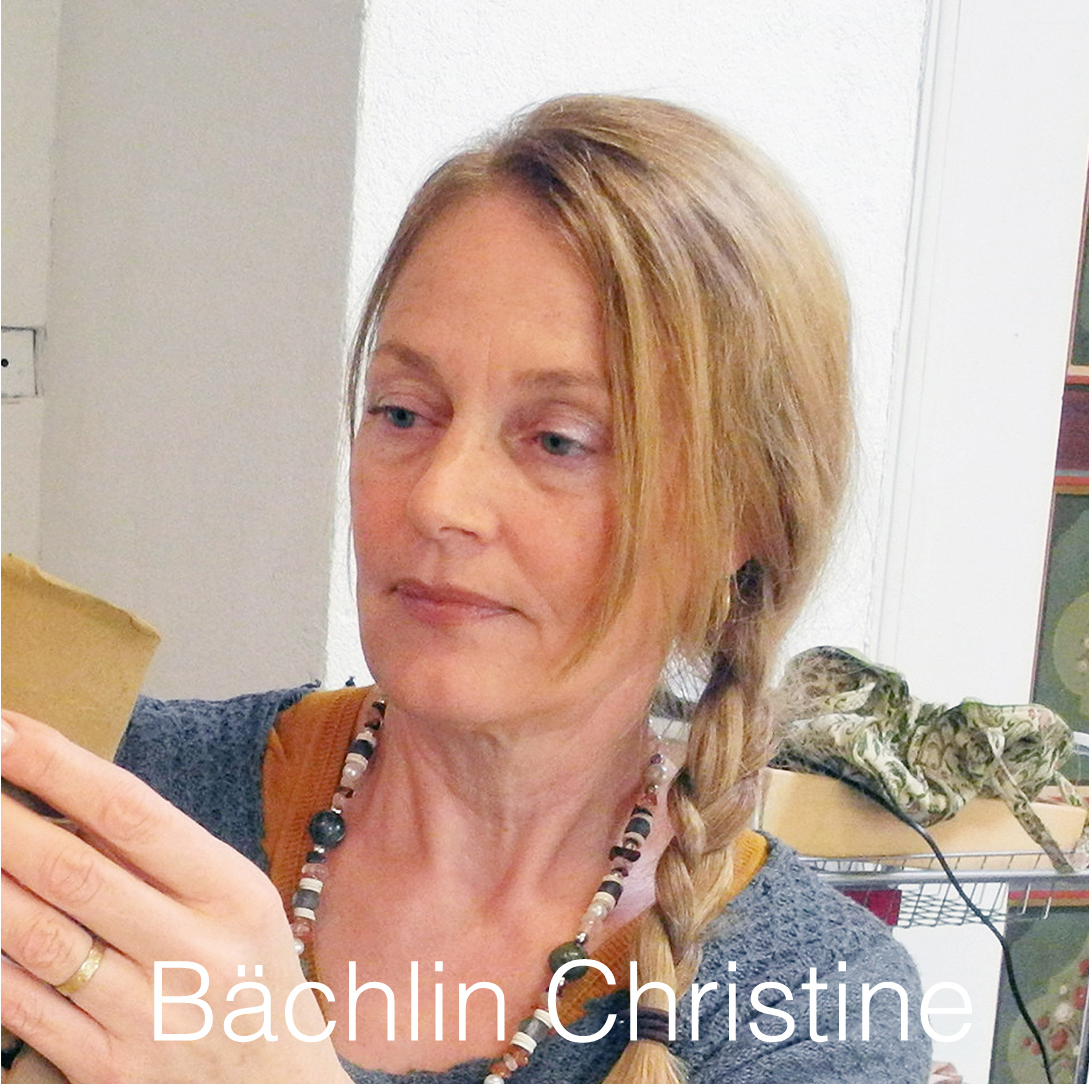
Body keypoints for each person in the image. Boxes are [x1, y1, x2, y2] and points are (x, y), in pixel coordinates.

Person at [1, 95, 931, 1083]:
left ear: (741, 516)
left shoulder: (813, 1009)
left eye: (559, 440)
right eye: (403, 413)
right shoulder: (99, 799)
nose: (440, 500)